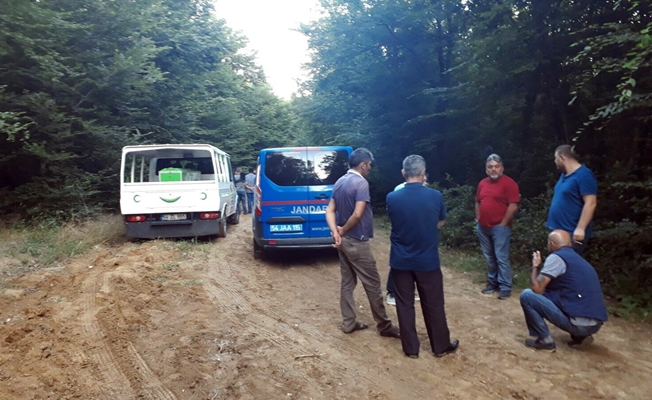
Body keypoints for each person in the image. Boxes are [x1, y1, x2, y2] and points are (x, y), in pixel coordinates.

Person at [386, 155, 458, 358]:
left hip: (401, 260)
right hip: (427, 260)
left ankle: (411, 349)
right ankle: (440, 346)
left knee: (404, 303)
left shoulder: (392, 197)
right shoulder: (435, 196)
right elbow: (441, 221)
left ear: (403, 173)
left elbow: (396, 221)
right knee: (433, 303)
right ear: (423, 173)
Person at [326, 148, 400, 339]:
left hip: (343, 242)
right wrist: (342, 230)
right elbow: (358, 214)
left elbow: (329, 211)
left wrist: (336, 232)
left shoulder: (340, 182)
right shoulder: (360, 183)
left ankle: (348, 323)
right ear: (363, 164)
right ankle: (384, 326)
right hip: (357, 241)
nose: (370, 168)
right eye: (369, 165)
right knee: (373, 283)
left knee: (347, 283)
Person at [520, 230, 608, 352]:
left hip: (579, 324)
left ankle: (544, 340)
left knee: (527, 295)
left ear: (551, 243)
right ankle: (581, 336)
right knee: (559, 295)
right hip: (596, 324)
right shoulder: (580, 261)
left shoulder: (556, 258)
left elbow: (537, 288)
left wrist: (535, 266)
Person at [476, 154, 520, 299]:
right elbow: (478, 201)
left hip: (500, 227)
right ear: (486, 169)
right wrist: (478, 218)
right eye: (490, 167)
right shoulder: (482, 183)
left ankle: (505, 286)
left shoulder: (509, 183)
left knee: (501, 257)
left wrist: (503, 223)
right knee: (489, 257)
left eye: (496, 166)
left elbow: (513, 205)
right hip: (483, 227)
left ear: (502, 167)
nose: (493, 169)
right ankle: (492, 282)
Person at [546, 145, 598, 256]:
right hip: (558, 230)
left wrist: (580, 228)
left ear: (562, 157)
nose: (555, 161)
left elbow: (591, 202)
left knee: (567, 266)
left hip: (571, 232)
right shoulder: (564, 175)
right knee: (557, 266)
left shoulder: (584, 175)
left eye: (555, 158)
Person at [386, 175, 428, 306]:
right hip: (404, 232)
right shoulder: (399, 189)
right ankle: (391, 292)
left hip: (416, 233)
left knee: (410, 263)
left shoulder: (424, 190)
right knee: (399, 264)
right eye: (424, 176)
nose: (425, 179)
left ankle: (410, 292)